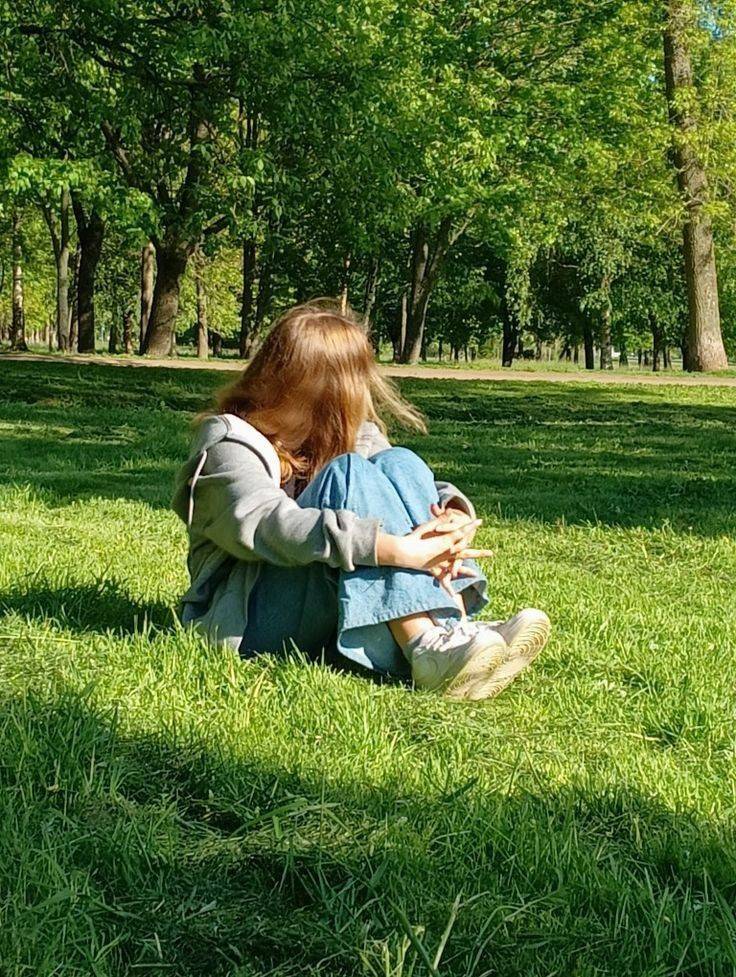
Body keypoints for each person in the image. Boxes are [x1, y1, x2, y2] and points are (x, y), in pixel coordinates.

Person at [172, 300, 550, 701]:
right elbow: (268, 525)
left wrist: (451, 515)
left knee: (400, 461)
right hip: (245, 621)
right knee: (349, 472)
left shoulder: (345, 431)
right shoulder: (228, 440)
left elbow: (401, 486)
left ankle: (452, 625)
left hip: (311, 604)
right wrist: (396, 550)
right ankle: (424, 644)